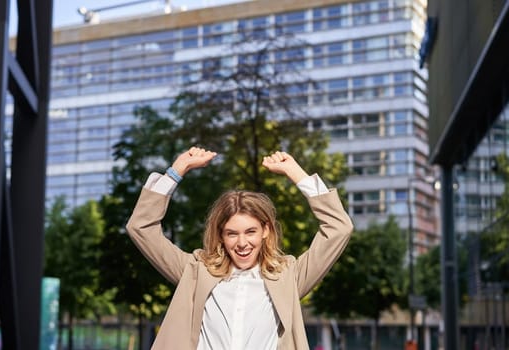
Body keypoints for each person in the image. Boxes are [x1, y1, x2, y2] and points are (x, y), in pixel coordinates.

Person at [126, 147, 354, 350]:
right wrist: (177, 170)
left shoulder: (289, 276)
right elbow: (141, 227)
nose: (242, 243)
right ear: (221, 236)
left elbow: (339, 228)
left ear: (265, 230)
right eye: (232, 233)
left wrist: (296, 174)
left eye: (250, 232)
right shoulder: (195, 271)